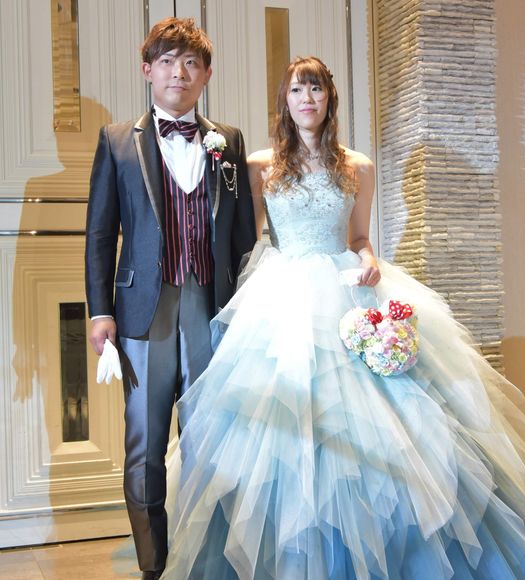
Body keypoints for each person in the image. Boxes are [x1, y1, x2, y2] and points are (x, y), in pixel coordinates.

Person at [160, 56, 525, 579]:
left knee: (397, 419)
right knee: (287, 425)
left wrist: (370, 262)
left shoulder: (357, 165)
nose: (307, 99)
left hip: (347, 289)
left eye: (316, 89)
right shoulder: (260, 164)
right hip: (283, 294)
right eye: (297, 90)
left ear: (329, 98)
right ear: (285, 101)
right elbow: (244, 238)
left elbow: (360, 238)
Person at [85, 17, 256, 580]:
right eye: (166, 61)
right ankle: (154, 566)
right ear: (147, 70)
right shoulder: (117, 141)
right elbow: (101, 233)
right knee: (145, 444)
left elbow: (242, 235)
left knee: (211, 439)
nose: (178, 72)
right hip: (144, 312)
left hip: (212, 305)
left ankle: (206, 560)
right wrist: (101, 311)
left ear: (206, 74)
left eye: (190, 63)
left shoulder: (228, 141)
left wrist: (248, 306)